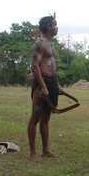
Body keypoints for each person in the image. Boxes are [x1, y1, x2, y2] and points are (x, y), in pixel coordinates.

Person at [27, 15, 62, 162]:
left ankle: (46, 150)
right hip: (42, 85)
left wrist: (57, 84)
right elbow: (35, 66)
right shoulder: (40, 43)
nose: (57, 27)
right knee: (35, 118)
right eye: (54, 24)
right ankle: (33, 153)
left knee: (46, 119)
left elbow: (51, 66)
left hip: (51, 83)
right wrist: (42, 86)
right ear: (49, 26)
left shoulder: (50, 43)